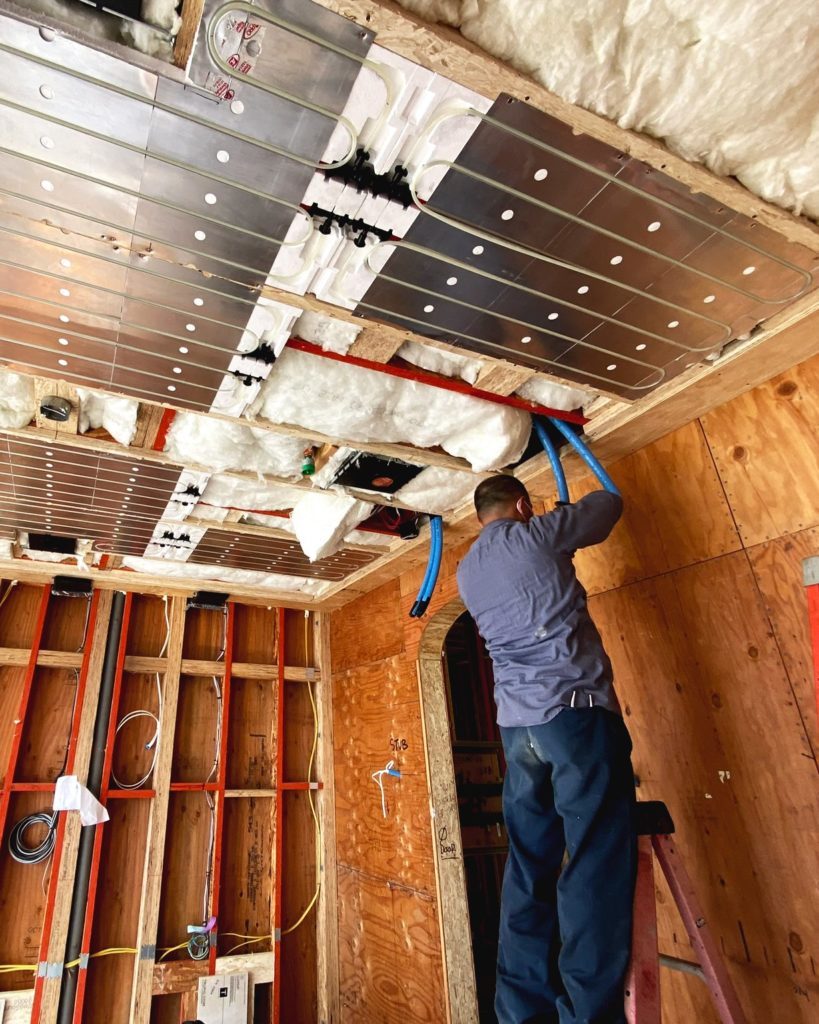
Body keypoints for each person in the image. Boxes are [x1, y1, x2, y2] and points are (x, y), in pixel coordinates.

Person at [456, 473, 636, 1024]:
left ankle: (520, 1010)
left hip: (519, 731)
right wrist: (561, 512)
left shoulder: (467, 570)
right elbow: (608, 506)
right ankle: (585, 1013)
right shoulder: (535, 534)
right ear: (520, 505)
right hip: (575, 717)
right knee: (593, 864)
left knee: (529, 865)